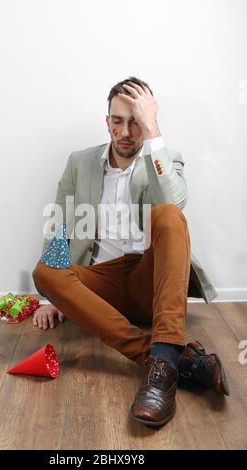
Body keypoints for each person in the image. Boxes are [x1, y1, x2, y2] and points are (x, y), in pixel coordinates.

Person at [32, 77, 229, 427]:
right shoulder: (80, 162)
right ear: (107, 121)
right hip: (99, 284)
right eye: (118, 121)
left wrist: (154, 132)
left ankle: (164, 357)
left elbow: (174, 204)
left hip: (148, 280)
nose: (125, 131)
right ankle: (169, 361)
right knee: (44, 271)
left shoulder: (165, 158)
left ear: (148, 121)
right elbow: (62, 225)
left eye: (135, 121)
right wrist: (55, 297)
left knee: (169, 214)